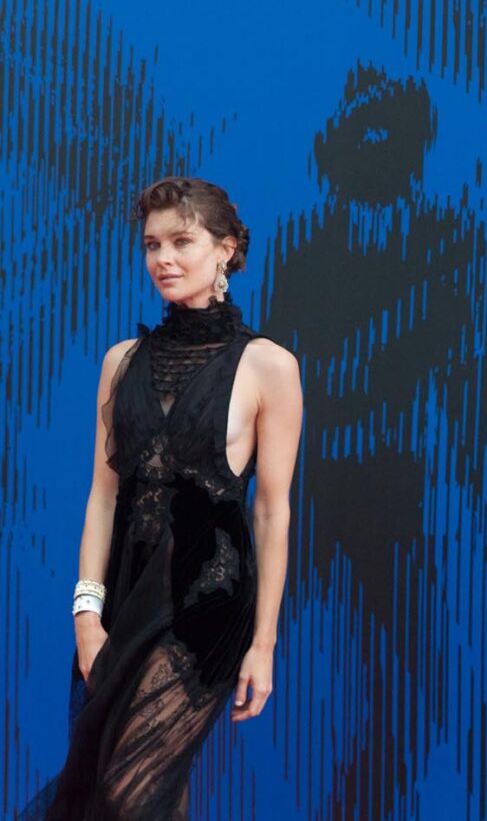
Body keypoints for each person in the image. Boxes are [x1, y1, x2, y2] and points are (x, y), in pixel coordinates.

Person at [31, 177, 303, 819]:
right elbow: (103, 498)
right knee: (131, 790)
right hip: (123, 600)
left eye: (182, 241)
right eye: (152, 244)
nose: (163, 259)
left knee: (127, 794)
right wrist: (86, 614)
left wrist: (263, 643)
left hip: (207, 602)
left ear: (226, 251)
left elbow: (272, 510)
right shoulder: (121, 362)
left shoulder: (270, 366)